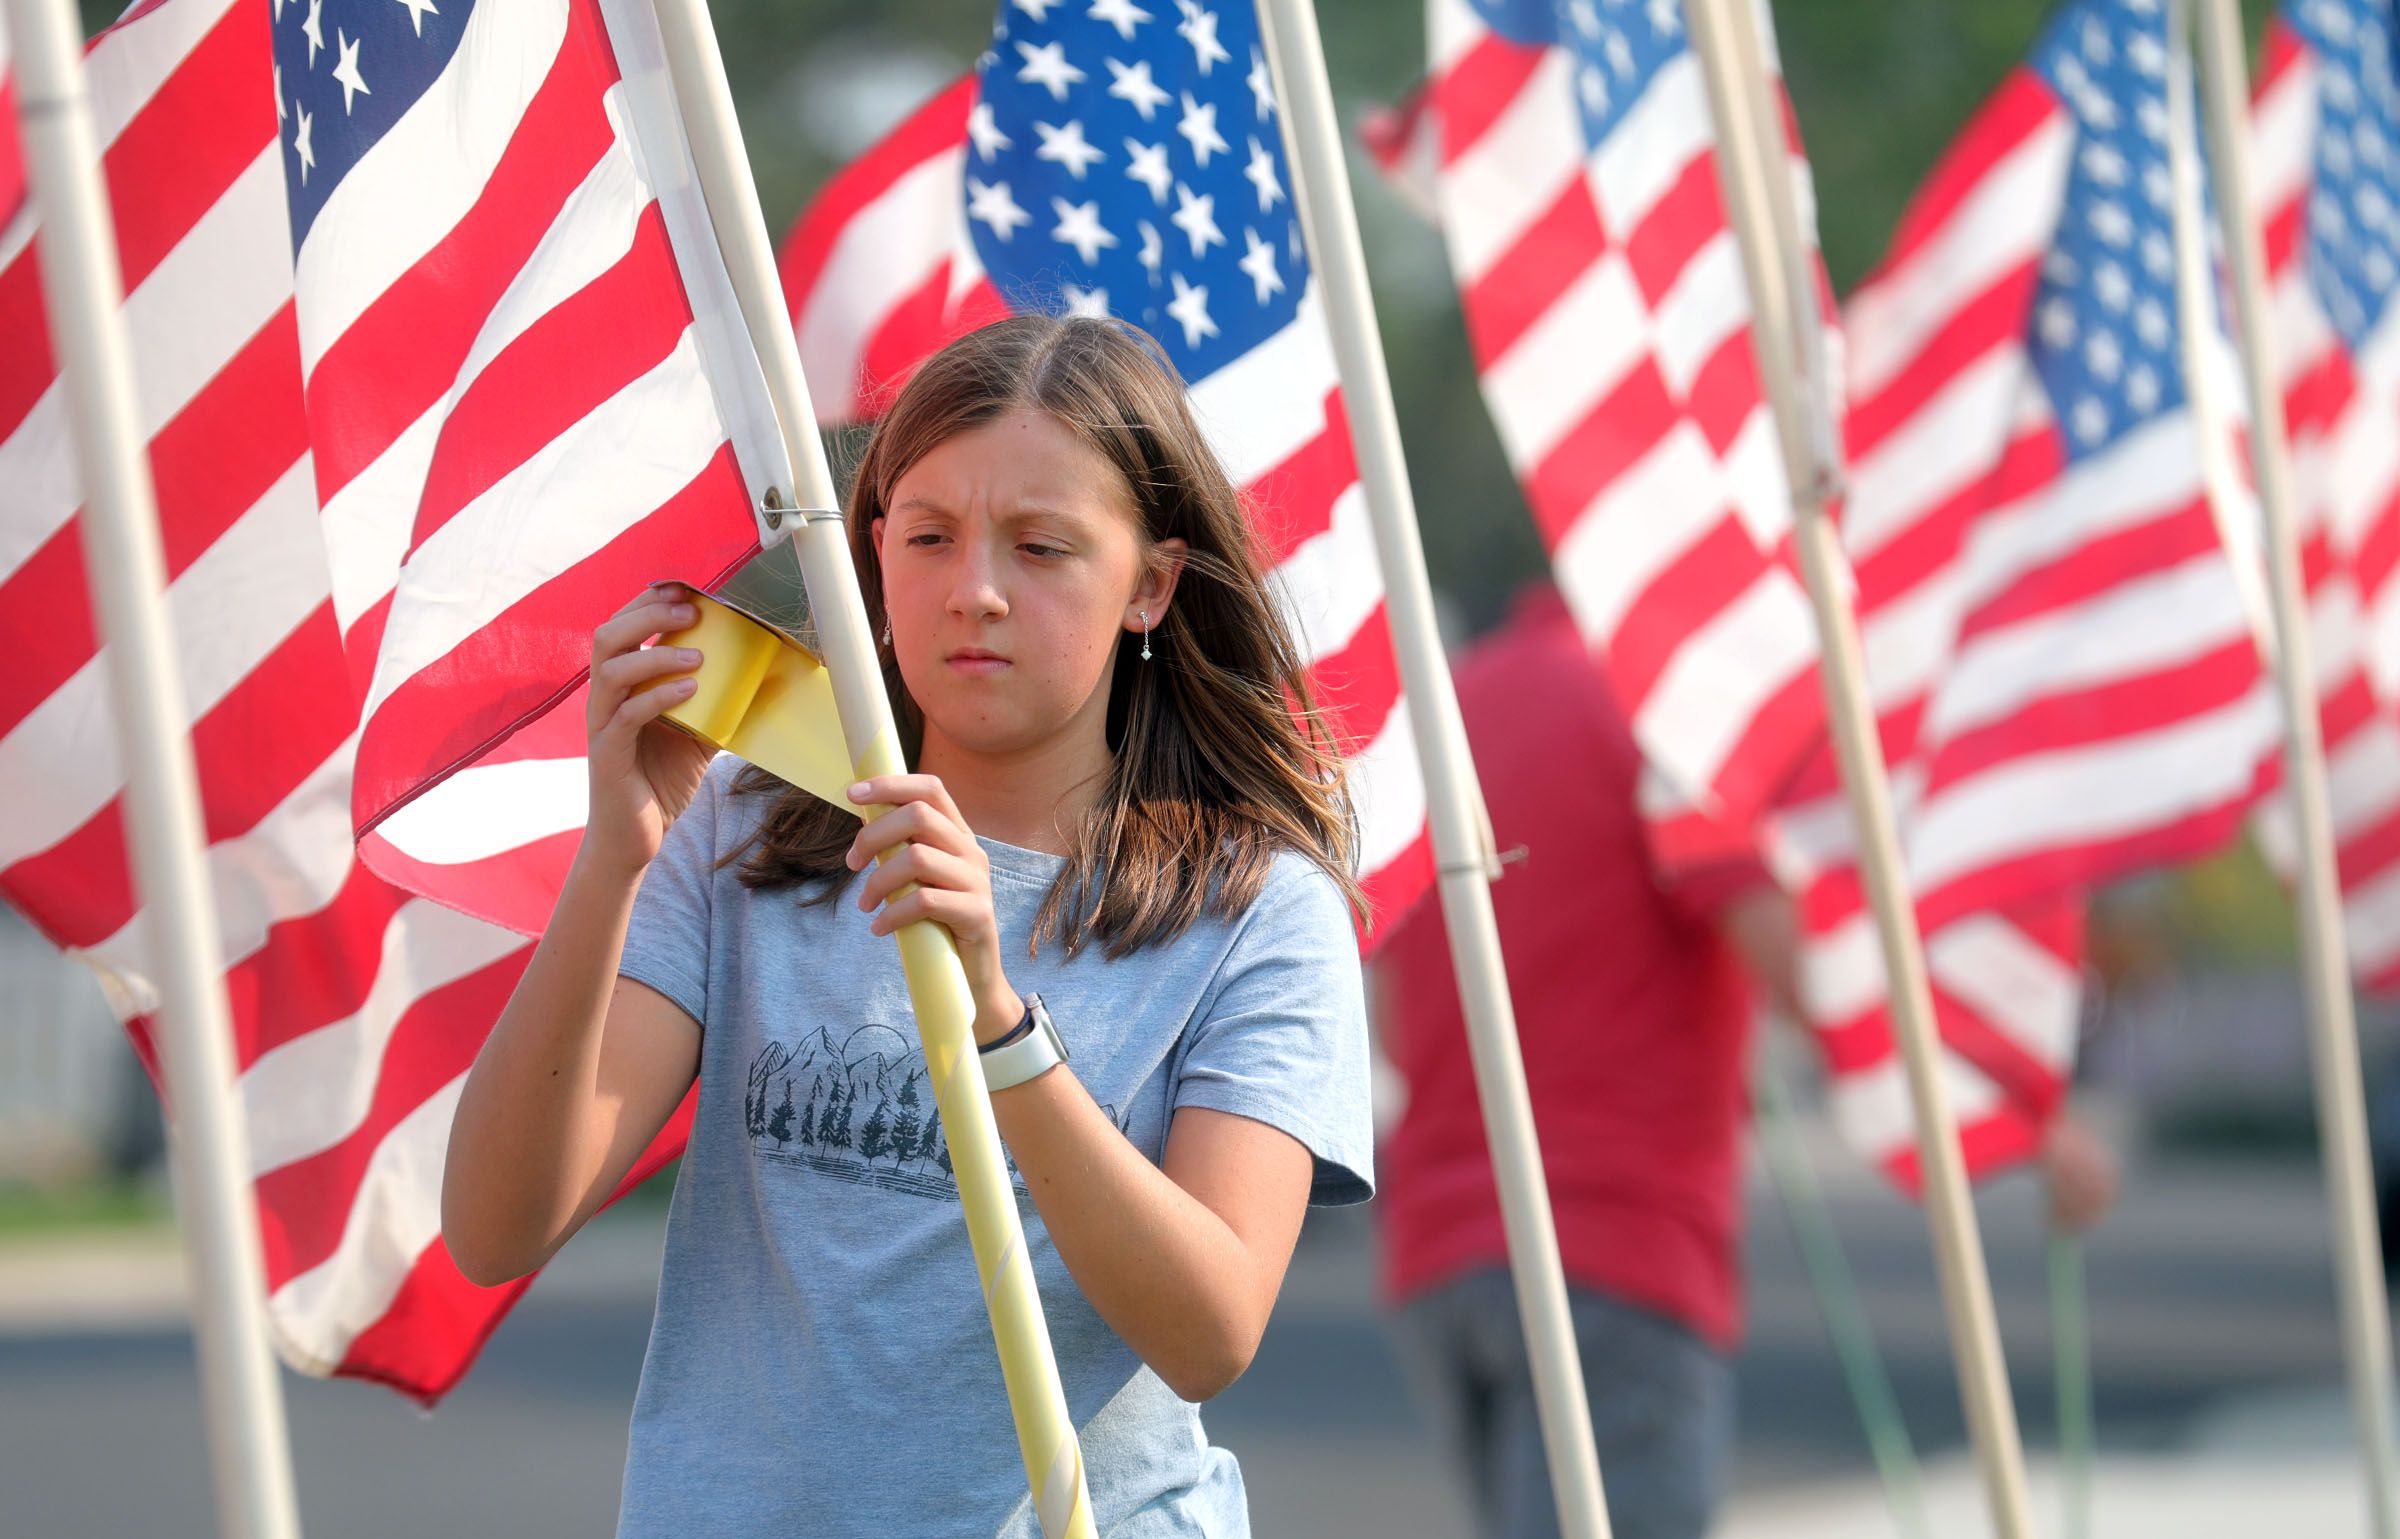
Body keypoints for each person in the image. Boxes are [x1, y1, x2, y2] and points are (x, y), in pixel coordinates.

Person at [440, 316, 1375, 1539]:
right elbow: (494, 1227)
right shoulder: (743, 820)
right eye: (929, 536)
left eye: (1043, 548)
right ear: (872, 553)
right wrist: (616, 858)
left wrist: (998, 1019)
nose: (975, 590)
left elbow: (1209, 1333)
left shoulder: (1261, 909)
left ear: (1150, 584)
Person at [1373, 581, 2118, 1539]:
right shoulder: (1669, 710)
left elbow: (1392, 1022)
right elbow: (1816, 977)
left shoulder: (1459, 705)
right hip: (1617, 1252)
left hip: (1440, 1257)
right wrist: (2021, 1113)